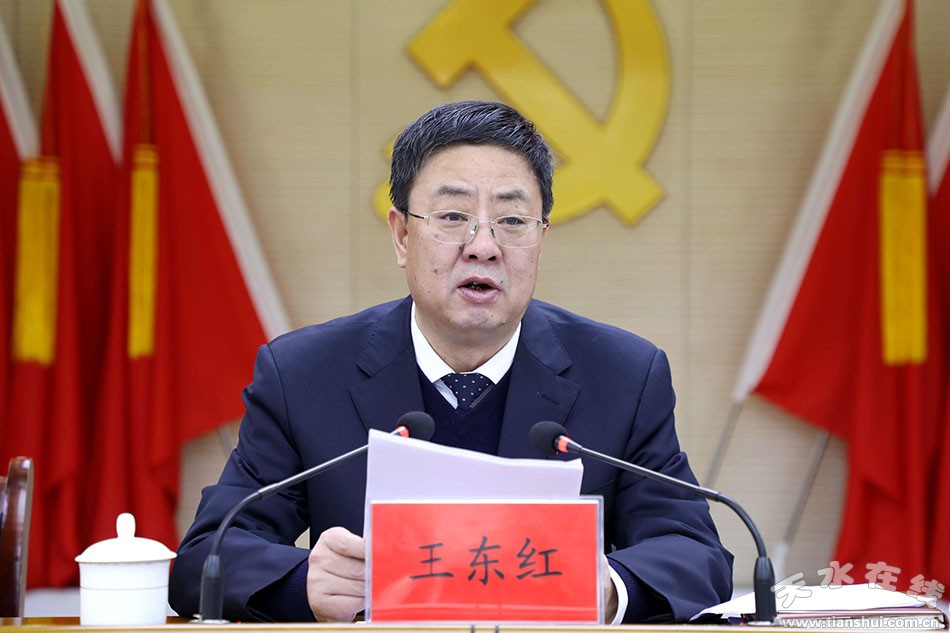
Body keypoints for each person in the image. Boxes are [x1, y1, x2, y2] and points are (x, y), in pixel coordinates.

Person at [168, 100, 733, 623]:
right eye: (452, 216)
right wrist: (306, 584)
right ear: (401, 237)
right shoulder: (304, 374)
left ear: (541, 238)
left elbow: (697, 555)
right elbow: (205, 559)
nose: (483, 245)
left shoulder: (622, 375)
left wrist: (606, 587)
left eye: (512, 221)